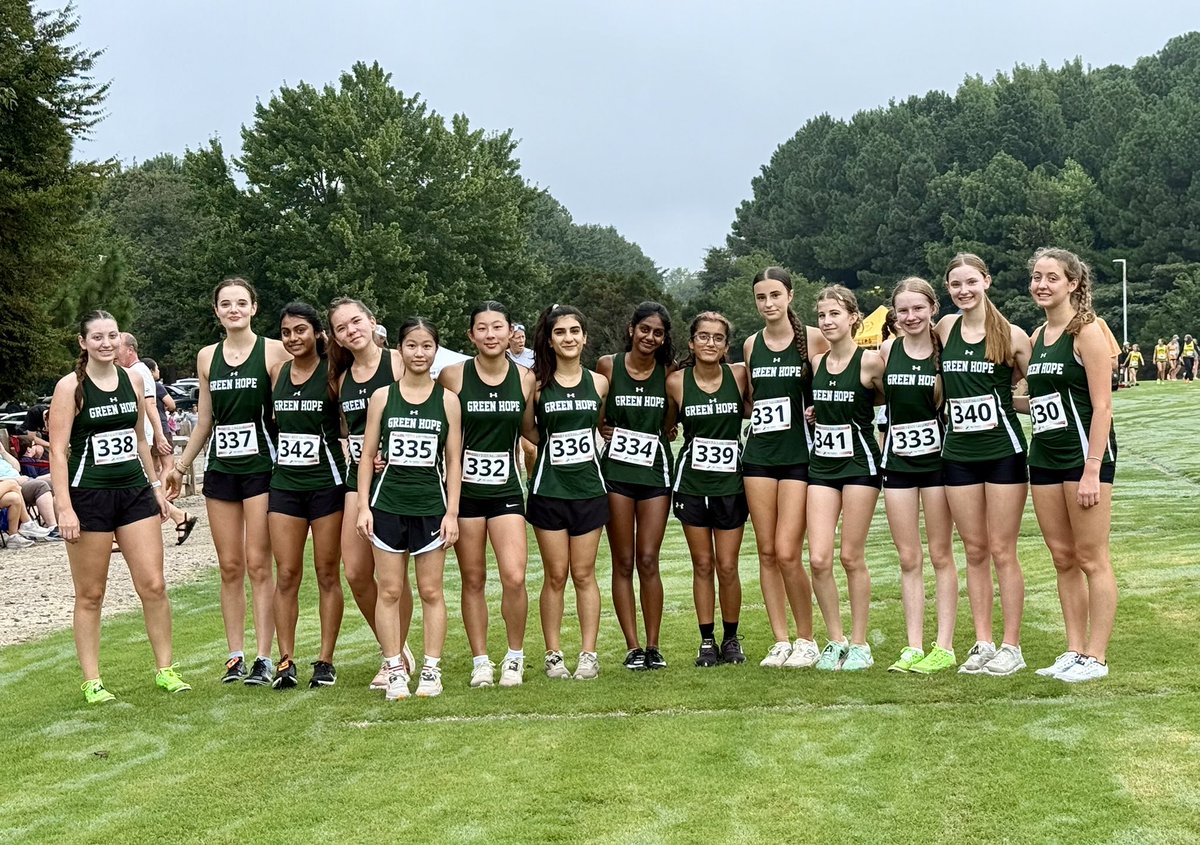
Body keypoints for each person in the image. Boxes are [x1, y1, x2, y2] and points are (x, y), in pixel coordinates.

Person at [48, 310, 190, 703]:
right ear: (82, 342)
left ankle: (165, 669)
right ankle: (92, 680)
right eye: (97, 337)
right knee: (91, 593)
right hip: (89, 495)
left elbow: (139, 439)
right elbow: (58, 453)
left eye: (112, 335)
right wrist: (64, 507)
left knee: (154, 584)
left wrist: (156, 486)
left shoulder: (133, 378)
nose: (106, 343)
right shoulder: (70, 387)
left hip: (134, 493)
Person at [165, 277, 290, 686]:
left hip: (261, 468)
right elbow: (204, 420)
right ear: (216, 311)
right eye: (225, 304)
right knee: (230, 566)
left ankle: (264, 656)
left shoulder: (274, 351)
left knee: (258, 563)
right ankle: (234, 656)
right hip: (221, 471)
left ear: (254, 307)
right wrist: (181, 467)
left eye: (241, 303)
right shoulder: (206, 357)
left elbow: (287, 409)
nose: (233, 309)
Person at [1023, 248, 1118, 683]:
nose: (1042, 285)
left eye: (1051, 278)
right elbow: (1041, 400)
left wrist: (1092, 470)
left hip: (1084, 459)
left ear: (1073, 284)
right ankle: (1073, 649)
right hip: (1044, 457)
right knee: (1062, 557)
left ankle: (1096, 657)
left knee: (1091, 558)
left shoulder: (1089, 332)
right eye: (1037, 277)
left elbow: (1102, 406)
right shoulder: (1038, 334)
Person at [936, 253, 1032, 676]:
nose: (963, 291)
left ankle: (1012, 646)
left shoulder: (1012, 336)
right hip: (957, 456)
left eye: (970, 282)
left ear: (986, 281)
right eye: (955, 285)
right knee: (974, 550)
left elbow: (1036, 388)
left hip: (1003, 454)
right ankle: (983, 641)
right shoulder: (944, 328)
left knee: (1001, 549)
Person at [357, 318, 462, 700]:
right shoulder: (383, 397)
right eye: (412, 346)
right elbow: (368, 455)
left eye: (427, 346)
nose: (419, 353)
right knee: (389, 591)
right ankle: (395, 667)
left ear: (436, 351)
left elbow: (453, 461)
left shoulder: (448, 400)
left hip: (431, 508)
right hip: (386, 507)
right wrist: (363, 507)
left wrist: (452, 513)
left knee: (432, 591)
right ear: (400, 349)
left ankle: (432, 669)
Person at [438, 301, 536, 687]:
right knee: (473, 578)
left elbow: (530, 430)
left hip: (507, 489)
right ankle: (481, 659)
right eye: (483, 328)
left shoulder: (525, 377)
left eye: (498, 327)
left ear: (511, 332)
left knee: (514, 576)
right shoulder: (452, 376)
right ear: (471, 335)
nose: (491, 335)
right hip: (464, 493)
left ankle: (514, 656)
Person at [741, 267, 828, 670]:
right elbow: (752, 401)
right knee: (766, 551)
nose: (769, 303)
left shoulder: (813, 338)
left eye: (775, 294)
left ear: (790, 295)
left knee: (788, 552)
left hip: (798, 457)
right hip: (759, 456)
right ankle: (780, 639)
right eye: (761, 297)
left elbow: (832, 385)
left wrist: (817, 411)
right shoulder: (750, 345)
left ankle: (806, 639)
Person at [329, 297, 414, 689]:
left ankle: (394, 656)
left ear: (372, 321)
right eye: (342, 327)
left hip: (400, 478)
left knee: (394, 574)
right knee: (357, 572)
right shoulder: (343, 379)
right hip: (358, 479)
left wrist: (391, 448)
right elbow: (350, 433)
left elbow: (422, 407)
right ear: (337, 337)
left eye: (356, 321)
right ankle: (395, 647)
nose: (351, 330)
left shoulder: (398, 361)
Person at [522, 304, 610, 681]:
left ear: (585, 337)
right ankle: (553, 653)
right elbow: (529, 430)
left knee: (585, 574)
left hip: (589, 489)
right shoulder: (536, 384)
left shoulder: (599, 383)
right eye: (561, 332)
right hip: (549, 490)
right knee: (555, 574)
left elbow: (600, 424)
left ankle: (588, 654)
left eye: (575, 331)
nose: (569, 338)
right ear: (551, 339)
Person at [267, 303, 347, 689]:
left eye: (300, 330)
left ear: (317, 333)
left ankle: (325, 660)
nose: (293, 338)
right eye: (286, 332)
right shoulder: (278, 372)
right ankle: (286, 660)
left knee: (327, 573)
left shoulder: (334, 373)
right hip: (285, 486)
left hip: (326, 485)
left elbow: (354, 423)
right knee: (286, 574)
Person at [879, 279, 957, 673]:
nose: (910, 317)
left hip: (939, 465)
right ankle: (912, 646)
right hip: (898, 465)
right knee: (909, 557)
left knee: (942, 554)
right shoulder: (887, 350)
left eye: (917, 309)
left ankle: (943, 646)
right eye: (903, 311)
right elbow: (869, 398)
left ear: (932, 309)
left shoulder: (946, 349)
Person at [805, 286, 884, 671]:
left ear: (853, 317)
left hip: (859, 465)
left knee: (850, 556)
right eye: (822, 316)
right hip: (821, 465)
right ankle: (834, 640)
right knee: (818, 558)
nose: (827, 321)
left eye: (835, 314)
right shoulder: (817, 363)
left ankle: (859, 643)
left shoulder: (870, 362)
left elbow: (889, 399)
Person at [666, 312, 750, 667]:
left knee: (727, 565)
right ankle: (706, 641)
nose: (710, 343)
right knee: (702, 564)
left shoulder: (739, 375)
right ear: (691, 342)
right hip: (692, 485)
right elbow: (666, 426)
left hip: (731, 485)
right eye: (703, 337)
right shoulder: (676, 382)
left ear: (726, 346)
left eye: (717, 338)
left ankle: (731, 640)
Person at [597, 302, 677, 670]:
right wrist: (602, 429)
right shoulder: (608, 366)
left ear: (664, 338)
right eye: (644, 329)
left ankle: (653, 644)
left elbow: (671, 425)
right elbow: (597, 416)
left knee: (648, 558)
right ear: (631, 329)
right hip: (616, 474)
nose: (650, 337)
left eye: (658, 332)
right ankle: (632, 647)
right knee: (623, 560)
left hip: (655, 474)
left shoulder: (669, 372)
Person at [140, 356, 197, 545]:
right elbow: (171, 404)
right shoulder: (155, 385)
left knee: (152, 471)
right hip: (159, 429)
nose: (159, 373)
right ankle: (165, 499)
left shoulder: (134, 379)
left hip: (146, 434)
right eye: (157, 369)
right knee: (166, 466)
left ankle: (167, 504)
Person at [0, 438, 58, 542]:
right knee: (39, 485)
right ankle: (50, 528)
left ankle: (15, 536)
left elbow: (17, 468)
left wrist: (3, 452)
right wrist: (15, 480)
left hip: (16, 484)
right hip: (9, 484)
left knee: (55, 483)